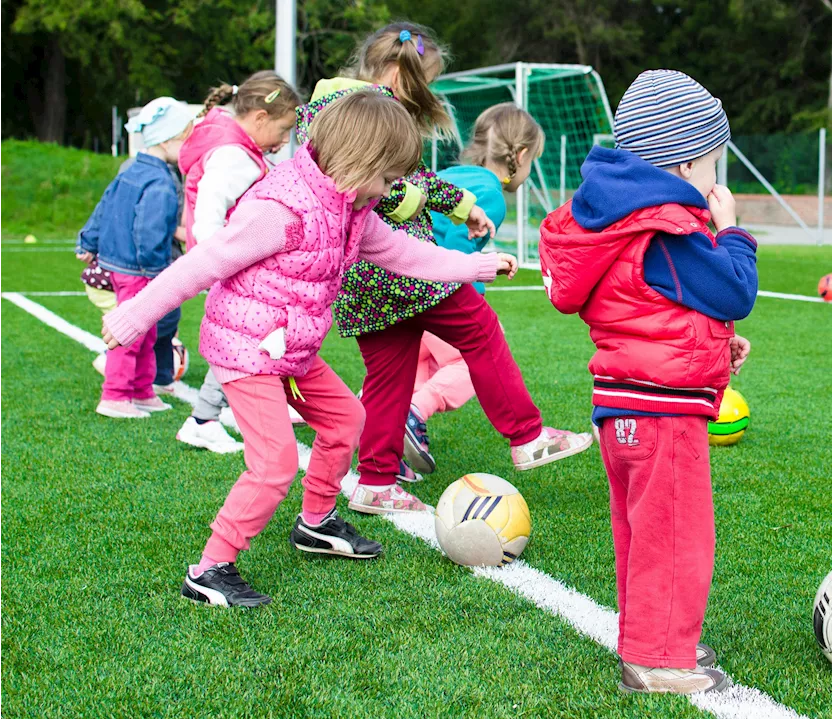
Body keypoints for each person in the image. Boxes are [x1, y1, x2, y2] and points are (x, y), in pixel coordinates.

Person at [101, 91, 519, 608]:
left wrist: (475, 266)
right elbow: (203, 263)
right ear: (360, 162)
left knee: (348, 420)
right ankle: (209, 569)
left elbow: (401, 252)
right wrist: (133, 315)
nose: (393, 191)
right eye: (389, 179)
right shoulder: (280, 209)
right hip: (247, 351)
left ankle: (316, 523)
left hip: (292, 351)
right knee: (274, 464)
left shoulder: (351, 207)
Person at [297, 22, 591, 518]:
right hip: (401, 268)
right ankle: (527, 435)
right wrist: (418, 204)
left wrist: (462, 207)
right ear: (396, 72)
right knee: (479, 329)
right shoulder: (363, 111)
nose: (424, 95)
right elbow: (378, 187)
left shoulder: (332, 106)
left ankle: (374, 481)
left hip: (361, 278)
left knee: (390, 375)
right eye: (422, 82)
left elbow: (412, 177)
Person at [539, 70, 758, 694]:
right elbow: (734, 288)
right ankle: (658, 659)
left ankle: (652, 638)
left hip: (627, 406)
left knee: (643, 534)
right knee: (675, 536)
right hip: (661, 415)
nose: (718, 179)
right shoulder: (667, 228)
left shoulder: (622, 221)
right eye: (714, 162)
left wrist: (716, 347)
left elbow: (652, 309)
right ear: (686, 162)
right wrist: (732, 230)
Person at [402, 103, 545, 475]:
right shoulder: (492, 196)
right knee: (470, 360)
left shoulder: (451, 175)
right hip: (432, 291)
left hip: (399, 288)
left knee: (413, 365)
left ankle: (374, 419)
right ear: (521, 156)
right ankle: (415, 413)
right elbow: (455, 253)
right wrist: (474, 295)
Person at [174, 70, 302, 454]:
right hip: (232, 266)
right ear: (260, 118)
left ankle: (217, 413)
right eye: (282, 130)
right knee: (245, 339)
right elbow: (209, 216)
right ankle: (203, 418)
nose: (283, 142)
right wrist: (223, 261)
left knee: (251, 336)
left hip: (234, 263)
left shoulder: (238, 148)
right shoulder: (234, 156)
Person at [76, 97, 196, 419]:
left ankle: (142, 391)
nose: (189, 146)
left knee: (148, 331)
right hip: (139, 269)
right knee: (131, 332)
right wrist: (157, 271)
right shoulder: (160, 181)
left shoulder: (133, 169)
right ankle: (115, 395)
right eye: (187, 138)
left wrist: (88, 239)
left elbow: (104, 204)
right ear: (169, 140)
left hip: (123, 264)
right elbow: (150, 229)